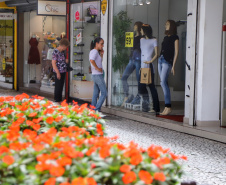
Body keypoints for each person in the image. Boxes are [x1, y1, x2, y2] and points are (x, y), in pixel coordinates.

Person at [158, 20, 179, 115]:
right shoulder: (165, 37)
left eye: (167, 24)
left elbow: (176, 52)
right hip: (161, 60)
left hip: (167, 61)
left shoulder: (175, 37)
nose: (165, 25)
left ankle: (168, 106)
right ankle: (167, 107)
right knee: (163, 82)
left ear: (171, 26)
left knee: (163, 82)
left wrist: (173, 66)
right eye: (165, 23)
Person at [121, 21, 144, 107]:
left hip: (138, 59)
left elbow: (140, 49)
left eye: (135, 26)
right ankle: (126, 96)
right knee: (124, 77)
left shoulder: (142, 38)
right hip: (132, 59)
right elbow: (130, 48)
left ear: (138, 27)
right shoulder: (133, 37)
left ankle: (139, 96)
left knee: (139, 80)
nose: (134, 27)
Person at [139, 24, 160, 114]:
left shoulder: (154, 40)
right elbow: (142, 53)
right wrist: (141, 66)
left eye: (142, 30)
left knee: (151, 87)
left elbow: (157, 53)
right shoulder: (142, 40)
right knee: (141, 86)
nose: (141, 31)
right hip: (142, 65)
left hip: (149, 65)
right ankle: (147, 104)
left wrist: (150, 61)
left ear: (145, 30)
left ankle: (156, 107)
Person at [89, 37, 107, 112]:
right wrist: (97, 68)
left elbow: (97, 61)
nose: (102, 46)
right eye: (101, 44)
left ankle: (93, 109)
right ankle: (96, 109)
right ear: (96, 44)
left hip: (95, 75)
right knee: (104, 93)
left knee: (95, 94)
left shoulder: (94, 51)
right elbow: (92, 60)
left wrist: (102, 55)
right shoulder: (95, 51)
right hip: (98, 75)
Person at [52, 38, 70, 103]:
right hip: (58, 71)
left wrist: (66, 61)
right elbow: (53, 63)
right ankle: (57, 100)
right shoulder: (55, 51)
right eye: (66, 47)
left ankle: (59, 99)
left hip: (63, 71)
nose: (66, 48)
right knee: (58, 86)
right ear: (63, 46)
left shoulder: (62, 52)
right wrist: (57, 73)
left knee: (61, 86)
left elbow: (61, 61)